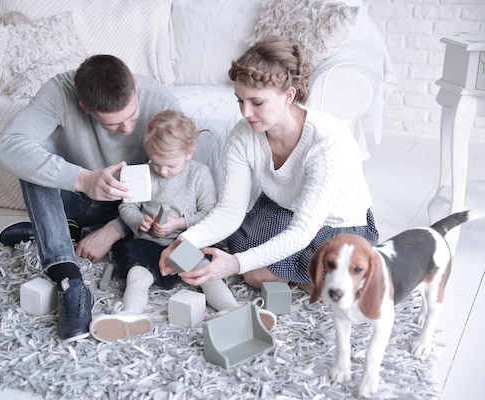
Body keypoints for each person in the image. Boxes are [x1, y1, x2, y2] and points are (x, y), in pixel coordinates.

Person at [159, 36, 379, 294]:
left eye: (257, 102)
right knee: (246, 255)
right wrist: (185, 241)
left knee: (254, 271)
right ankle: (296, 274)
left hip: (337, 223)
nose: (245, 112)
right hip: (285, 207)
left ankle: (324, 279)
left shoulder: (326, 143)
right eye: (240, 100)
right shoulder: (243, 134)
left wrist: (235, 264)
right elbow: (230, 211)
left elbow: (302, 231)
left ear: (288, 95)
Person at [0, 55, 180, 342]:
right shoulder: (59, 92)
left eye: (132, 116)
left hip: (131, 211)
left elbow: (173, 185)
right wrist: (83, 179)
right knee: (32, 152)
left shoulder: (162, 101)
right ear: (86, 108)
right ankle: (68, 277)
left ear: (134, 84)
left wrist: (113, 231)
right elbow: (7, 149)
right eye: (114, 125)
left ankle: (57, 229)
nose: (128, 130)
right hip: (79, 196)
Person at [89, 110, 276, 342]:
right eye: (156, 164)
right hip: (147, 243)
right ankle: (130, 314)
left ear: (189, 153)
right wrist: (140, 221)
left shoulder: (200, 174)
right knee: (137, 276)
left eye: (170, 165)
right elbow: (127, 207)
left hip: (185, 244)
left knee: (207, 274)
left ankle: (232, 308)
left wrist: (179, 223)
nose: (163, 171)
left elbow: (211, 213)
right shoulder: (140, 173)